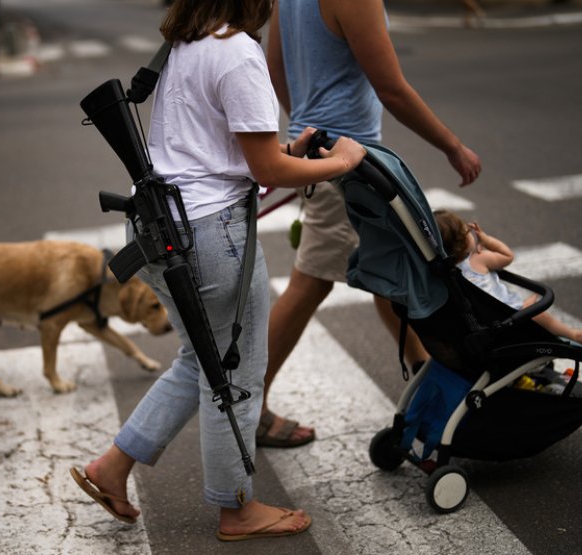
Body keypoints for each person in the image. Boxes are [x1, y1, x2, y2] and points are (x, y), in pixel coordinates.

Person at [71, 0, 368, 542]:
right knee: (235, 376)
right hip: (211, 234)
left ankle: (111, 468)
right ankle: (237, 509)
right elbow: (265, 169)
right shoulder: (238, 52)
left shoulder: (184, 44)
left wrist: (289, 152)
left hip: (159, 226)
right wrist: (342, 162)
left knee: (199, 362)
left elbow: (215, 148)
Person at [259, 0, 483, 448]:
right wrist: (453, 146)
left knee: (387, 263)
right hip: (345, 162)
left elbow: (275, 70)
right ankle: (250, 406)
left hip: (320, 148)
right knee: (311, 281)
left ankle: (425, 371)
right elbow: (392, 89)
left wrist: (308, 121)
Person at [435, 209, 582, 345]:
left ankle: (524, 307)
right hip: (506, 319)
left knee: (525, 306)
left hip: (481, 322)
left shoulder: (445, 274)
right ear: (462, 241)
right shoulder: (478, 259)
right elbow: (507, 256)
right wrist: (487, 240)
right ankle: (572, 334)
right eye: (468, 231)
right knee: (537, 313)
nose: (472, 233)